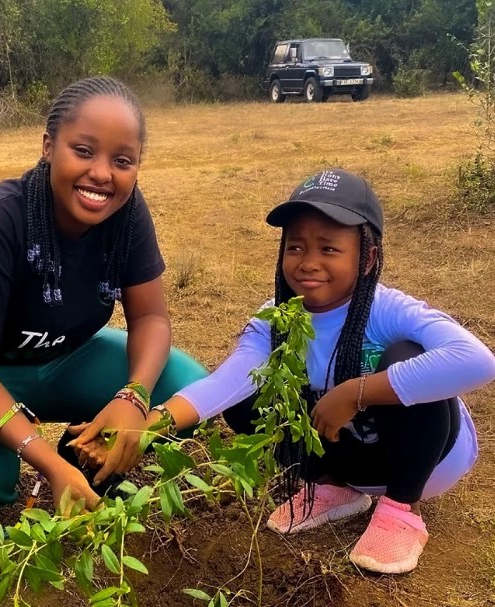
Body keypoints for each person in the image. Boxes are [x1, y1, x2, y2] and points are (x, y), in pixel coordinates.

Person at [0, 76, 207, 553]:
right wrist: (47, 465)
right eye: (83, 150)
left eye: (122, 161)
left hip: (64, 357)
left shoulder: (125, 215)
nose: (102, 174)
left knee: (187, 387)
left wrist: (135, 395)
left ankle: (84, 451)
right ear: (48, 146)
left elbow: (151, 320)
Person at [141, 169, 495, 574]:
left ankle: (401, 511)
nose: (308, 263)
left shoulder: (388, 309)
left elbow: (479, 360)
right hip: (356, 461)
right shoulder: (275, 318)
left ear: (368, 258)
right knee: (245, 403)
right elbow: (227, 382)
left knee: (404, 355)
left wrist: (356, 392)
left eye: (328, 249)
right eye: (296, 247)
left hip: (429, 461)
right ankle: (334, 486)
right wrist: (148, 426)